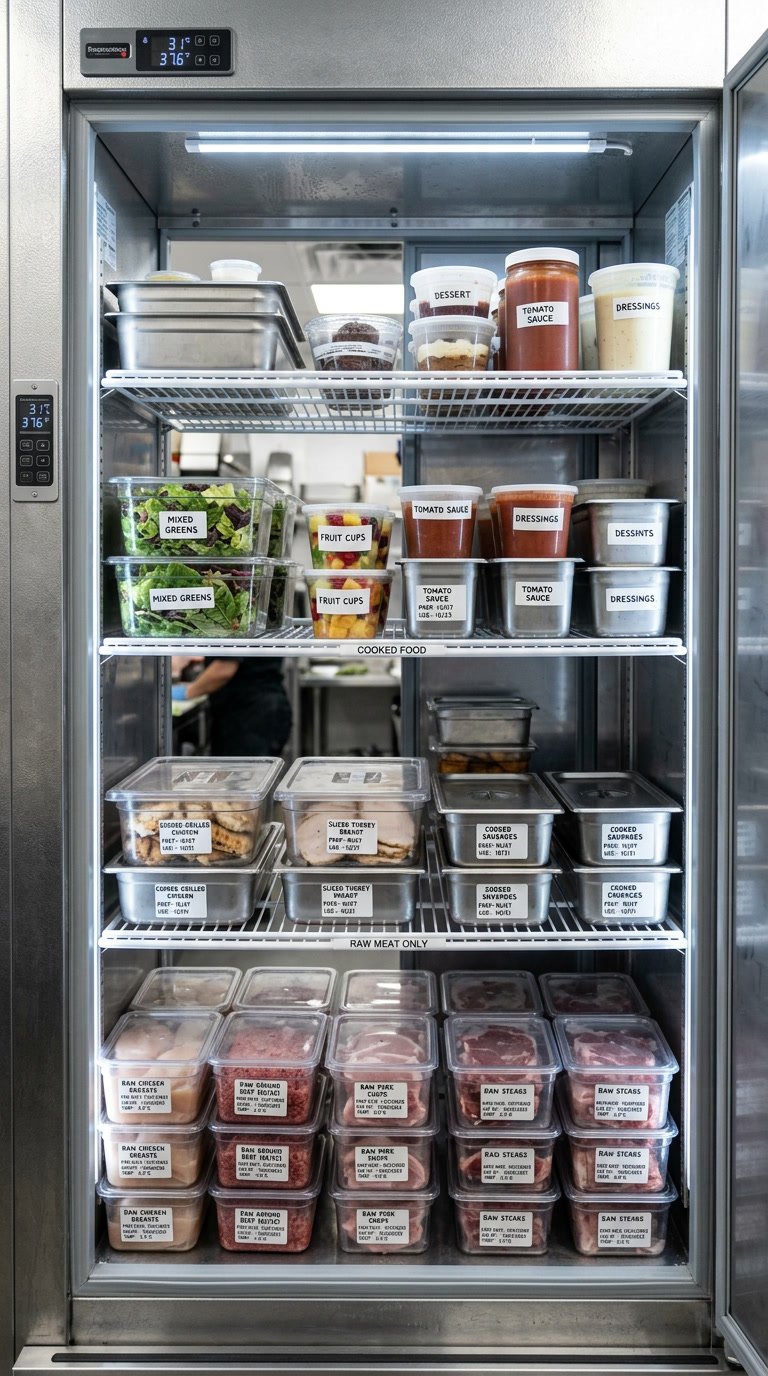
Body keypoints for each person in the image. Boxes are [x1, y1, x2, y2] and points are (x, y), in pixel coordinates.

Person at [172, 656, 292, 756]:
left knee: (242, 780)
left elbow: (224, 669)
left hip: (250, 716)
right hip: (263, 708)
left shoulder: (237, 628)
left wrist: (188, 692)